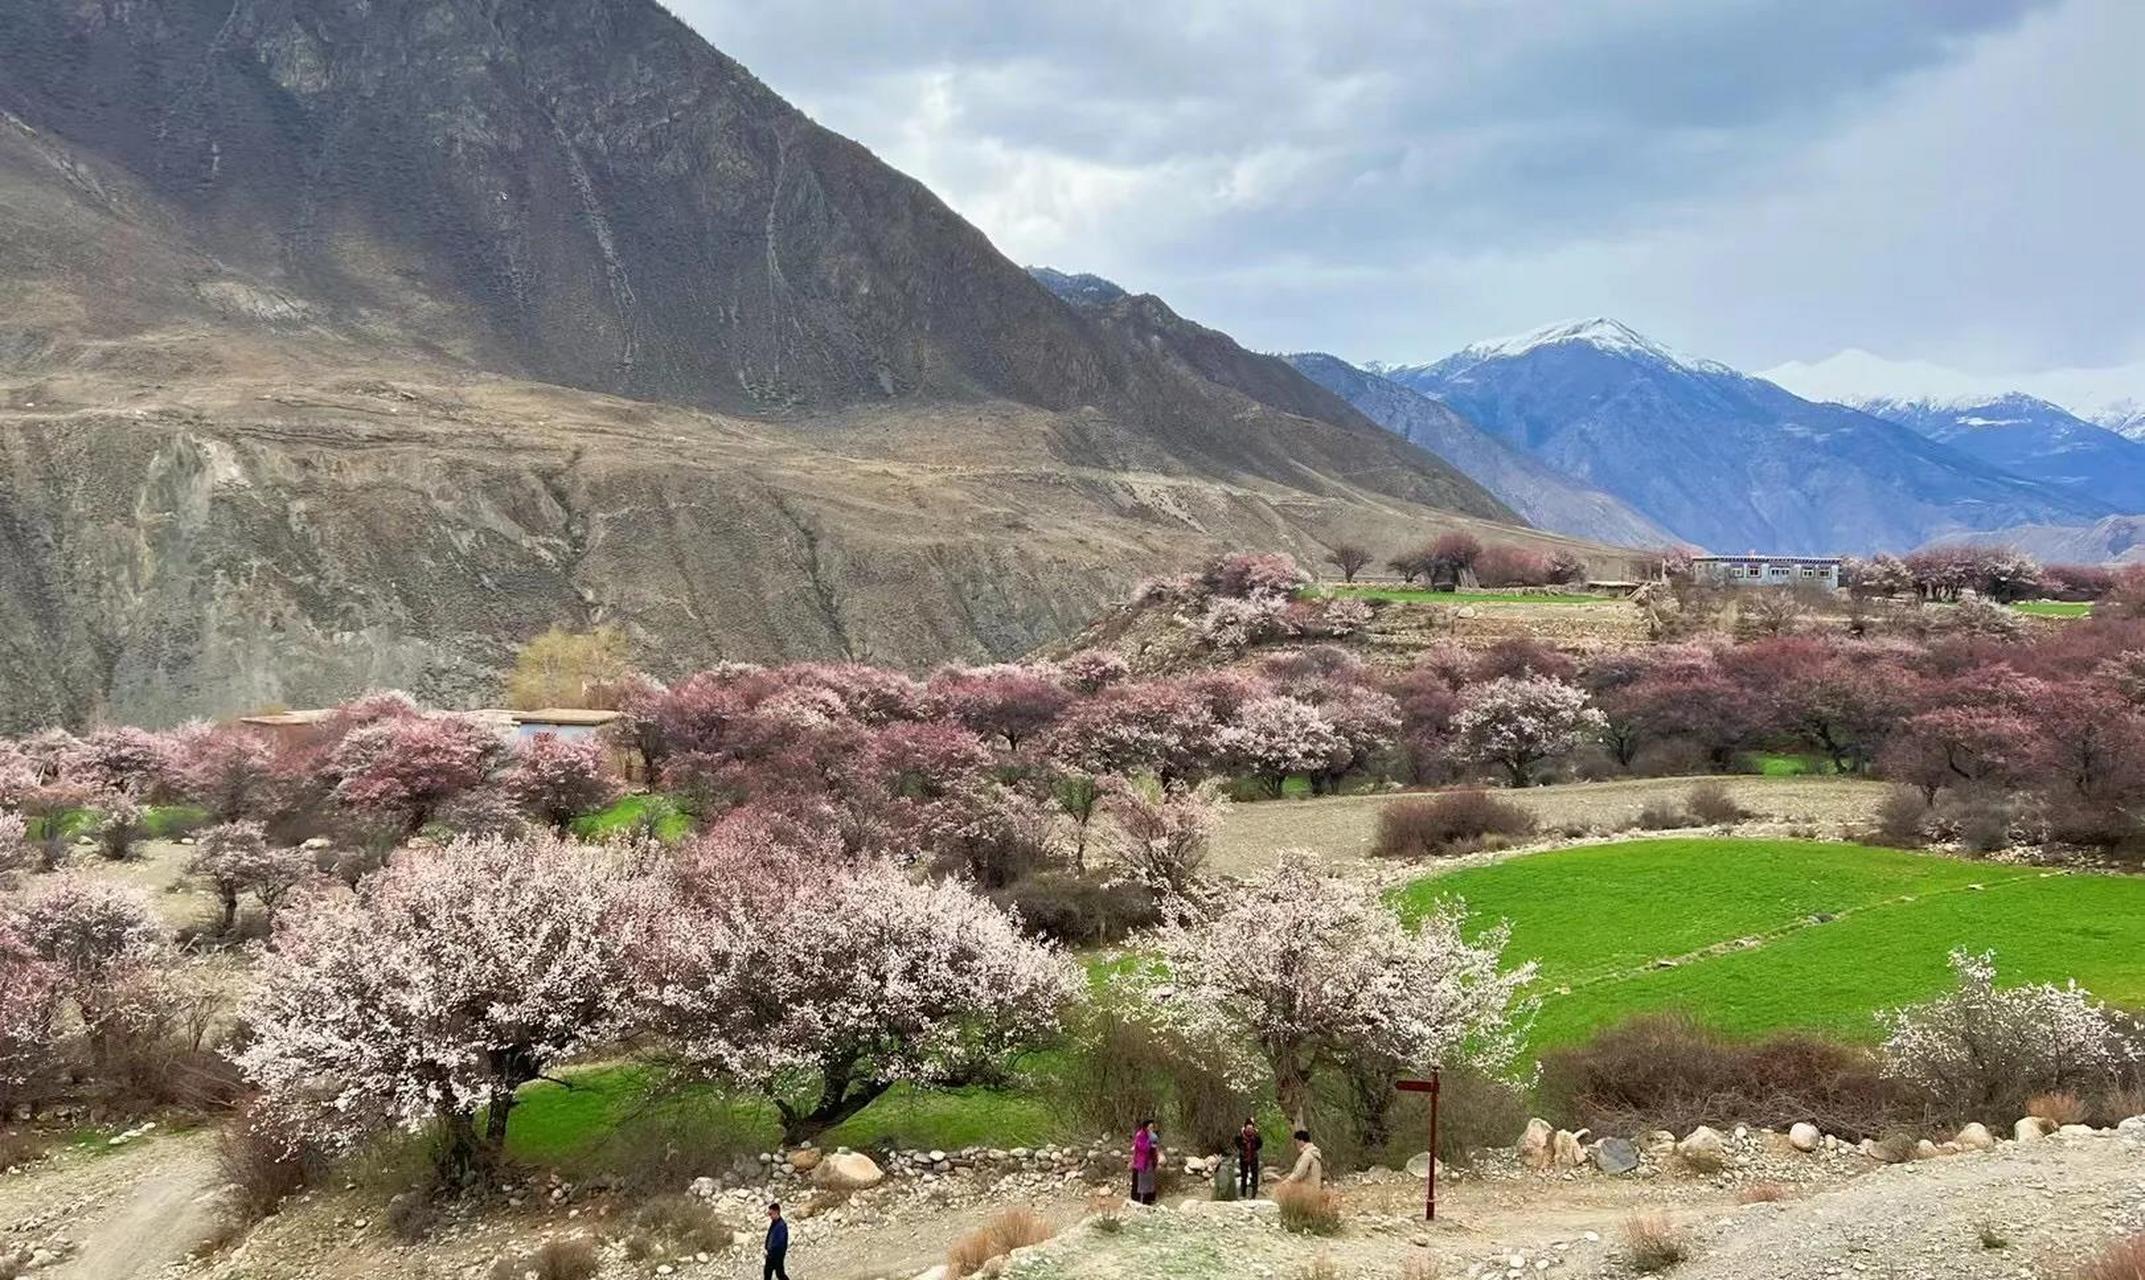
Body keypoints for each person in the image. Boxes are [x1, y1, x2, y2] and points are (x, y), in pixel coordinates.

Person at [1130, 1118, 1160, 1205]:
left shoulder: (1152, 1135)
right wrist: (1149, 1143)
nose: (1151, 1129)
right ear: (1145, 1127)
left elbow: (1155, 1148)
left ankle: (1149, 1199)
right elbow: (1141, 1148)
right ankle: (1139, 1199)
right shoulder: (1140, 1135)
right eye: (1149, 1127)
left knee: (1149, 1181)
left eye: (1152, 1127)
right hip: (1141, 1161)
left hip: (1149, 1161)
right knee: (1141, 1181)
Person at [1235, 1117, 1264, 1198]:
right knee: (1243, 1176)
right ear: (1245, 1128)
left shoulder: (1255, 1136)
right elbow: (1237, 1143)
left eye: (1251, 1128)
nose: (1249, 1130)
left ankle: (1254, 1194)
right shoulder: (1240, 1135)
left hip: (1253, 1157)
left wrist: (1257, 1135)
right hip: (1243, 1157)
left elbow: (1260, 1144)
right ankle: (1243, 1193)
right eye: (1248, 1128)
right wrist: (1242, 1149)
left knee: (1255, 1176)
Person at [764, 1201, 790, 1280]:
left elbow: (780, 1242)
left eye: (771, 1214)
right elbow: (770, 1236)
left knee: (780, 1274)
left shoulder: (781, 1225)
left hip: (777, 1255)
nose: (770, 1216)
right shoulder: (774, 1223)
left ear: (776, 1212)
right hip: (771, 1254)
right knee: (767, 1272)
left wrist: (771, 1250)